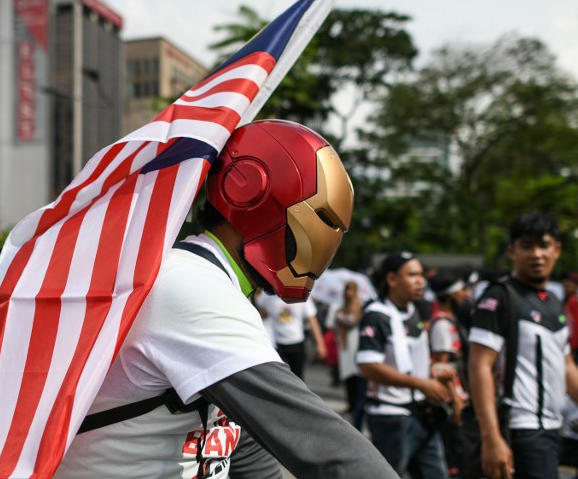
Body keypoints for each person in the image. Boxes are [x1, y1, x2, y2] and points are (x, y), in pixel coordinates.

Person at [58, 120, 397, 478]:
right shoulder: (191, 286)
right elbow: (330, 448)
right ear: (249, 190)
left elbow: (240, 440)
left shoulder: (212, 284)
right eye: (324, 219)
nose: (329, 239)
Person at [468, 212, 578, 479]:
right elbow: (479, 365)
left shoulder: (553, 301)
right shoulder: (500, 296)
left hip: (553, 428)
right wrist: (491, 437)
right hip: (521, 430)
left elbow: (566, 365)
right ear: (512, 251)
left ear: (556, 250)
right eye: (527, 246)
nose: (537, 254)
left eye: (544, 245)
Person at [356, 251, 453, 479]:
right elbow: (368, 366)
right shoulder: (376, 315)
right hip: (391, 417)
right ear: (391, 279)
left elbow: (412, 362)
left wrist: (435, 373)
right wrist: (420, 383)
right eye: (412, 275)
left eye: (421, 275)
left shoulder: (415, 311)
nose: (421, 281)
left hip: (422, 413)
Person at [428, 270, 472, 479]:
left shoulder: (451, 321)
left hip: (458, 395)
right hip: (451, 399)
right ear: (451, 294)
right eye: (461, 290)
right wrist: (454, 399)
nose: (465, 294)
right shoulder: (443, 325)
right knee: (455, 456)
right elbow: (441, 367)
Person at [253, 290, 326, 380]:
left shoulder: (301, 296)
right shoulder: (269, 296)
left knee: (297, 377)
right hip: (277, 344)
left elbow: (312, 320)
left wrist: (320, 344)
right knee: (278, 378)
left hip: (296, 342)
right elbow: (260, 309)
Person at [326, 280, 367, 430]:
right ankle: (351, 406)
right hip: (345, 347)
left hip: (357, 347)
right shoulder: (339, 307)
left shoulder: (360, 306)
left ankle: (357, 409)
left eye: (351, 289)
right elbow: (331, 324)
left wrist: (341, 317)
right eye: (347, 289)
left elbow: (354, 320)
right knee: (348, 380)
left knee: (358, 381)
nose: (349, 293)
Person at [563, 271, 578, 362]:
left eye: (568, 285)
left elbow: (575, 325)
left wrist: (573, 346)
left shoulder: (573, 301)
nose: (565, 288)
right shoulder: (567, 300)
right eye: (564, 285)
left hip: (573, 345)